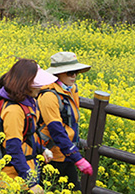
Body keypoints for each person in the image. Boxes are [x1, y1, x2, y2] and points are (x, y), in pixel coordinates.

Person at [0, 59, 56, 193]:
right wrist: (31, 183)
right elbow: (13, 148)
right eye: (36, 84)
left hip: (22, 177)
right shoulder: (14, 111)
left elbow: (26, 136)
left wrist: (42, 149)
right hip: (11, 182)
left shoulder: (28, 103)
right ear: (26, 84)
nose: (40, 87)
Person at [38, 52, 93, 191]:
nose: (74, 76)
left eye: (76, 72)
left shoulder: (71, 90)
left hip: (67, 153)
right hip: (52, 156)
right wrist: (77, 157)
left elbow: (71, 123)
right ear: (58, 74)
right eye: (70, 72)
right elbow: (55, 129)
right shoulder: (49, 95)